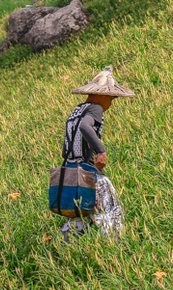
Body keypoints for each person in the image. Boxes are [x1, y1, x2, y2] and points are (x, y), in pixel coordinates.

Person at [58, 66, 135, 243]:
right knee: (110, 213)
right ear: (102, 95)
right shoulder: (95, 108)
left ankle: (69, 254)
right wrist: (101, 151)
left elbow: (66, 148)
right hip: (90, 174)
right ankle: (115, 251)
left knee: (77, 219)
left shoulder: (76, 111)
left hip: (70, 174)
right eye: (112, 98)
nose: (111, 103)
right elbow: (86, 127)